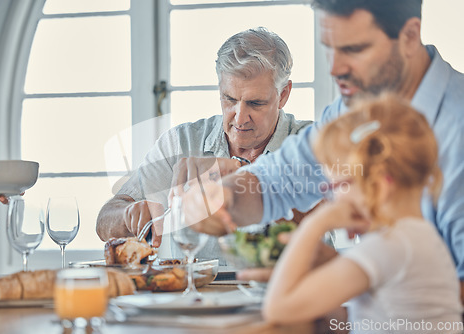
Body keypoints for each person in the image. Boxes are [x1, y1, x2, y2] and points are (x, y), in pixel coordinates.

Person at [181, 0, 464, 303]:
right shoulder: (350, 110)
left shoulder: (456, 128)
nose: (335, 68)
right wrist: (223, 196)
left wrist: (350, 276)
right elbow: (276, 182)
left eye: (353, 49)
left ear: (409, 36)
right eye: (330, 47)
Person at [95, 28, 312, 257]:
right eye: (229, 99)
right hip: (196, 292)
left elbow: (331, 211)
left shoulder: (311, 141)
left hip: (287, 291)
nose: (239, 117)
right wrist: (128, 215)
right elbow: (104, 221)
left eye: (256, 103)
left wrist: (240, 178)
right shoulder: (181, 143)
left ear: (284, 94)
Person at [263, 94, 463, 331]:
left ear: (379, 184)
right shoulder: (418, 237)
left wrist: (313, 225)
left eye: (338, 186)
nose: (333, 198)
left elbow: (278, 309)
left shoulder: (388, 245)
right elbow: (360, 322)